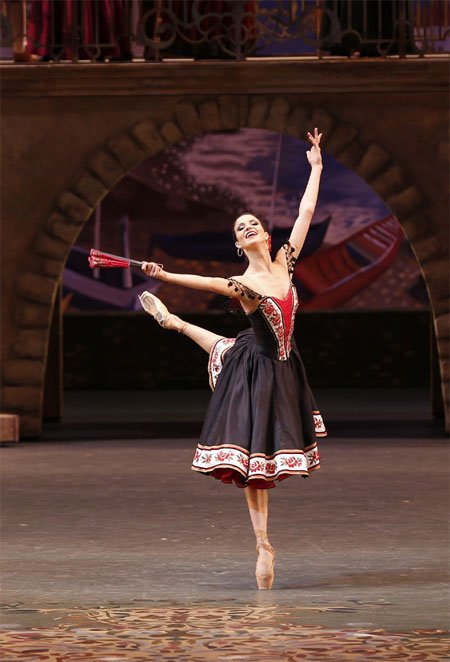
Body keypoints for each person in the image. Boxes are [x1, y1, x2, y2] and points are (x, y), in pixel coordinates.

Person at [139, 128, 326, 590]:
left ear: (264, 234)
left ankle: (175, 325)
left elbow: (305, 213)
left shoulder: (286, 261)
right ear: (239, 245)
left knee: (225, 346)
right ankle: (263, 544)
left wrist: (316, 168)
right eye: (239, 229)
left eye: (252, 224)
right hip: (259, 371)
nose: (247, 229)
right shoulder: (241, 285)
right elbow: (203, 283)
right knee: (253, 463)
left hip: (284, 365)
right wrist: (163, 273)